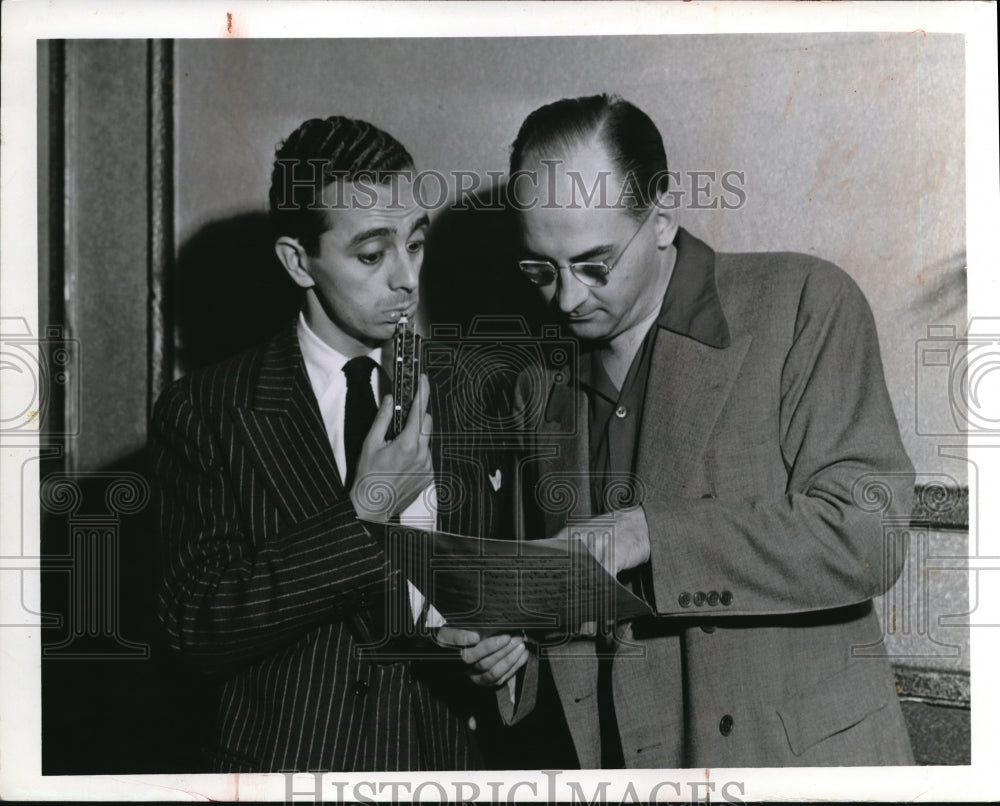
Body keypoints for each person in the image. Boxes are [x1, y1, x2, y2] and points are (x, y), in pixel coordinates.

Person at [446, 94, 915, 768]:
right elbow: (565, 601)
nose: (567, 299)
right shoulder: (536, 385)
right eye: (540, 270)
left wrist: (644, 534)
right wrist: (511, 645)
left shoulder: (803, 302)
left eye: (594, 265)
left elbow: (867, 537)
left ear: (662, 217)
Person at [152, 115, 510, 772]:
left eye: (415, 244)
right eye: (372, 256)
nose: (407, 279)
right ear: (298, 261)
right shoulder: (205, 411)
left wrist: (512, 647)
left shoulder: (473, 390)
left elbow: (516, 587)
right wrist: (365, 510)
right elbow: (195, 630)